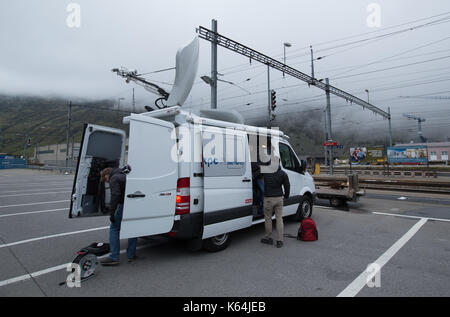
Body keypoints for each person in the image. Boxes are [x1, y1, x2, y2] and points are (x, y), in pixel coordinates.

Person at [99, 167, 137, 266]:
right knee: (132, 228)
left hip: (124, 204)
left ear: (106, 175)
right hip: (133, 203)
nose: (106, 182)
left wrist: (112, 213)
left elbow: (115, 196)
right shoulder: (125, 174)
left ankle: (114, 257)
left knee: (114, 228)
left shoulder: (114, 178)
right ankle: (131, 254)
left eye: (105, 179)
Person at [261, 159, 290, 248]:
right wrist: (286, 196)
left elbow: (257, 175)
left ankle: (268, 237)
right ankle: (280, 240)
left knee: (268, 218)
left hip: (268, 198)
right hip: (279, 198)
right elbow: (287, 186)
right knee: (279, 218)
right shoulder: (283, 174)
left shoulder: (265, 172)